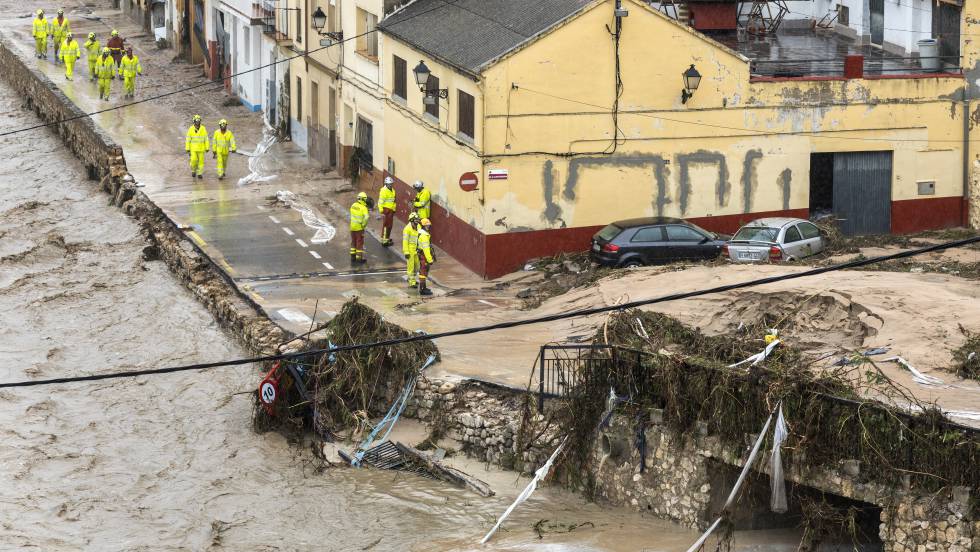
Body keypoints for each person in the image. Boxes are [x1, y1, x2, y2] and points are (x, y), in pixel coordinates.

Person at [185, 115, 209, 179]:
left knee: (201, 161)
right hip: (193, 148)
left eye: (198, 121)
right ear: (194, 121)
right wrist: (187, 148)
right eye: (196, 121)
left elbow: (206, 138)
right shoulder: (191, 129)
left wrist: (207, 147)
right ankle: (193, 170)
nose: (197, 122)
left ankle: (199, 173)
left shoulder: (203, 128)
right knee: (194, 160)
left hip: (201, 148)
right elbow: (188, 139)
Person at [349, 192, 370, 264]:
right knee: (359, 242)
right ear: (362, 199)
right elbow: (367, 217)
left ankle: (352, 257)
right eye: (365, 199)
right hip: (359, 228)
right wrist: (363, 225)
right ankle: (359, 258)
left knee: (353, 241)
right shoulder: (364, 208)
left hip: (352, 227)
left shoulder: (353, 205)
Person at [416, 218, 435, 296]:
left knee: (423, 271)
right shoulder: (424, 236)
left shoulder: (422, 233)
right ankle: (422, 289)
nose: (428, 227)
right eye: (426, 226)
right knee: (423, 271)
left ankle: (423, 288)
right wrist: (430, 259)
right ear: (423, 226)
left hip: (422, 255)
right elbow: (426, 249)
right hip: (424, 255)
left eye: (428, 226)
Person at [402, 212, 420, 288]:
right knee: (411, 266)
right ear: (411, 220)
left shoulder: (418, 226)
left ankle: (413, 278)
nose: (417, 221)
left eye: (417, 220)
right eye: (415, 220)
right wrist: (406, 252)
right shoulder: (407, 229)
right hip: (410, 250)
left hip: (417, 249)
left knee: (417, 266)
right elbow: (405, 241)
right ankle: (411, 281)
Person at [378, 176, 396, 247]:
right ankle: (385, 242)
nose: (390, 185)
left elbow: (394, 201)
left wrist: (394, 210)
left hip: (391, 210)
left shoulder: (393, 190)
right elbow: (380, 202)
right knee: (386, 226)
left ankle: (386, 238)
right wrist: (381, 211)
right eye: (389, 184)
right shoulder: (383, 191)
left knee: (389, 226)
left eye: (391, 183)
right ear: (386, 184)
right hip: (386, 210)